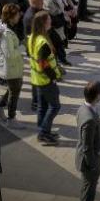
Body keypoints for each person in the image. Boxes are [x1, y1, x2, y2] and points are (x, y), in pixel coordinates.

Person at [28, 10, 64, 145]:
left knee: (42, 106)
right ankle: (43, 132)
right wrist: (54, 76)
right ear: (43, 23)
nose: (51, 22)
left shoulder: (32, 37)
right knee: (55, 106)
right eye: (49, 20)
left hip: (36, 79)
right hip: (46, 80)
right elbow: (43, 64)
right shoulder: (43, 42)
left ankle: (44, 131)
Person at [0, 3, 25, 122]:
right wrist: (23, 47)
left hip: (6, 65)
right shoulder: (6, 33)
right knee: (15, 90)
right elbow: (9, 54)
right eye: (17, 14)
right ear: (10, 17)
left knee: (14, 87)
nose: (19, 16)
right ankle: (11, 119)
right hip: (9, 67)